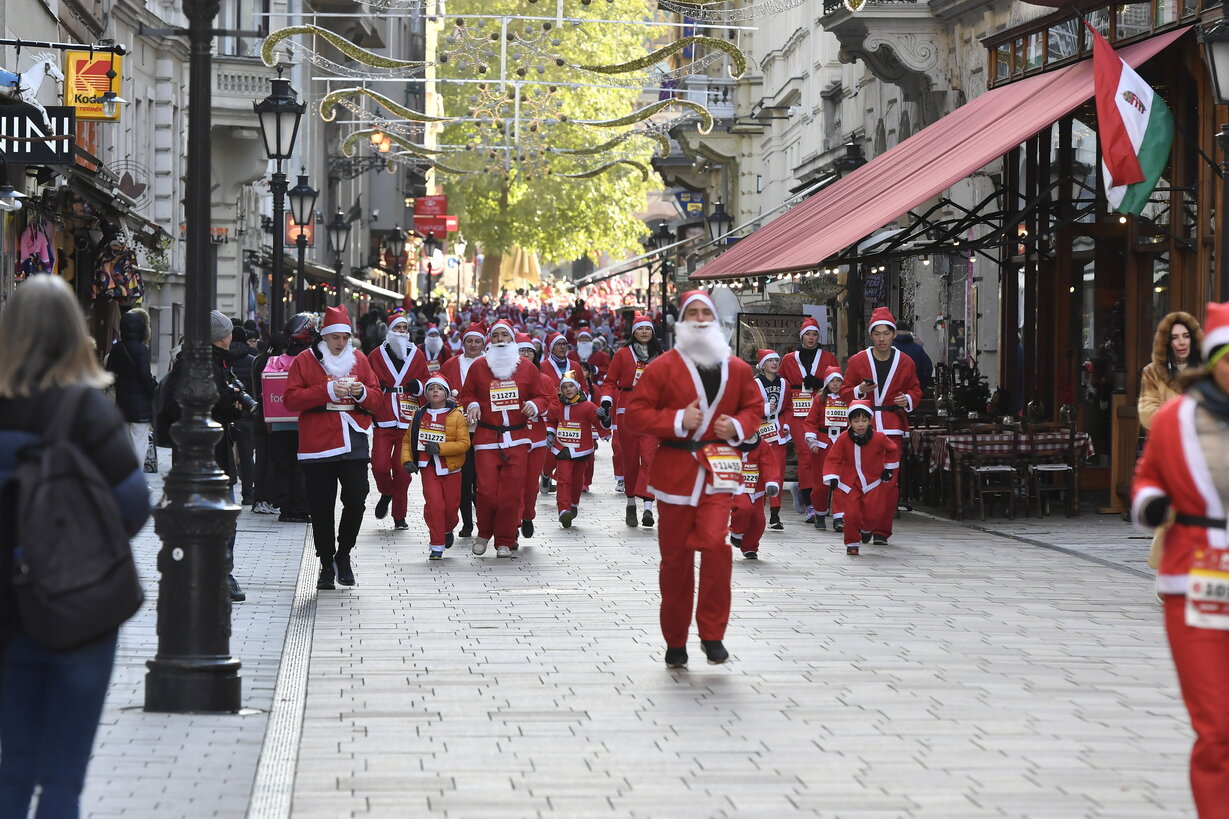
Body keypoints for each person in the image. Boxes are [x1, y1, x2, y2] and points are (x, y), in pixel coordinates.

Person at [0, 275, 151, 819]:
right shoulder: (87, 411)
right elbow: (134, 505)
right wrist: (79, 547)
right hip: (83, 608)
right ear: (73, 333)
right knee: (63, 777)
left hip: (8, 613)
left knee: (14, 763)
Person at [622, 291, 762, 668]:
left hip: (720, 470)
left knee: (716, 545)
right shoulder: (662, 367)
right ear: (681, 322)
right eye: (693, 313)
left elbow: (754, 407)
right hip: (676, 474)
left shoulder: (737, 368)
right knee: (675, 562)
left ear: (715, 321)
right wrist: (675, 420)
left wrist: (737, 426)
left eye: (706, 313)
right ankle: (676, 641)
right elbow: (634, 415)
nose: (700, 319)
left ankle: (712, 633)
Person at [1132, 301, 1229, 817]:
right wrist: (1152, 503)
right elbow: (1148, 476)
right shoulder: (1175, 419)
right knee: (1217, 723)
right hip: (1198, 576)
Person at [283, 305, 382, 590]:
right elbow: (290, 400)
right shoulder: (305, 360)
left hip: (354, 439)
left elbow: (376, 398)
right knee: (321, 506)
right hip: (318, 443)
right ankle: (326, 563)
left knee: (357, 497)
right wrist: (325, 391)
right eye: (335, 337)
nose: (340, 343)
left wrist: (362, 393)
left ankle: (344, 553)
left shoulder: (359, 359)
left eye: (345, 338)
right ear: (324, 336)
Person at [163, 310, 248, 601]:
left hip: (212, 452)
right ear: (222, 337)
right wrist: (224, 403)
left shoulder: (216, 361)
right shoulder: (193, 364)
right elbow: (175, 406)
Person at [458, 319, 551, 557]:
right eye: (496, 336)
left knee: (511, 493)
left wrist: (533, 405)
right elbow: (467, 394)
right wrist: (473, 405)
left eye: (504, 336)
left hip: (518, 438)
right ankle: (483, 533)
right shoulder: (479, 366)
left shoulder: (526, 368)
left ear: (512, 340)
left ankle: (505, 540)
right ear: (491, 339)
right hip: (487, 437)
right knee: (486, 491)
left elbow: (542, 397)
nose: (500, 340)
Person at [840, 308, 920, 544]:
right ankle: (865, 523)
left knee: (889, 482)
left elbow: (915, 388)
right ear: (871, 335)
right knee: (862, 478)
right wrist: (860, 390)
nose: (882, 338)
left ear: (894, 334)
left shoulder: (905, 361)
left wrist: (908, 399)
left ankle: (882, 531)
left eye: (886, 333)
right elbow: (844, 392)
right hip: (864, 428)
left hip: (893, 427)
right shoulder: (857, 361)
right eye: (877, 334)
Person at [599, 314, 662, 526]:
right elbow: (610, 381)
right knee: (631, 459)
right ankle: (631, 503)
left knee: (650, 458)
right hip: (627, 410)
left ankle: (648, 507)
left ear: (652, 332)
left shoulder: (660, 355)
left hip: (651, 411)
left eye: (648, 329)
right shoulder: (623, 354)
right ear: (634, 332)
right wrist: (606, 402)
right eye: (640, 329)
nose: (644, 332)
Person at [367, 314, 428, 531]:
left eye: (404, 328)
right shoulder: (376, 354)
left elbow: (427, 380)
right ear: (389, 330)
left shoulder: (417, 355)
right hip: (383, 417)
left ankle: (399, 516)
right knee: (379, 466)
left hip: (408, 420)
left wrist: (418, 386)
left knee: (402, 472)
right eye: (397, 328)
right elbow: (367, 379)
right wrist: (376, 388)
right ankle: (386, 492)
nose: (401, 331)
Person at [403, 376, 471, 560]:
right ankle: (436, 546)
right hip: (428, 467)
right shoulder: (418, 415)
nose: (435, 391)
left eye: (439, 389)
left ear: (446, 394)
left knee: (451, 509)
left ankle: (448, 529)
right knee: (434, 506)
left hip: (451, 468)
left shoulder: (457, 416)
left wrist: (440, 449)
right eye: (431, 388)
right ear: (426, 394)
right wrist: (407, 461)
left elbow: (464, 443)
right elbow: (408, 440)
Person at [779, 317, 838, 520]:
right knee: (805, 453)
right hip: (797, 412)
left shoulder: (829, 358)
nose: (811, 338)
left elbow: (837, 383)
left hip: (822, 410)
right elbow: (782, 386)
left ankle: (814, 495)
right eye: (808, 334)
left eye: (814, 334)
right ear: (801, 336)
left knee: (821, 455)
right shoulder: (789, 359)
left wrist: (820, 382)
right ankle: (810, 503)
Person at [822, 400, 900, 556]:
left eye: (864, 420)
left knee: (874, 514)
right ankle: (852, 543)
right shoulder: (843, 438)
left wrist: (888, 468)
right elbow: (834, 458)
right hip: (850, 483)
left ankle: (866, 529)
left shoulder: (879, 437)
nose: (860, 424)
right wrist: (832, 476)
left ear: (870, 421)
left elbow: (893, 449)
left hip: (873, 482)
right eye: (856, 421)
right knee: (851, 514)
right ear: (849, 422)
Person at [262, 315, 315, 522]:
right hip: (306, 424)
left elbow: (267, 390)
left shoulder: (275, 362)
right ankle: (301, 509)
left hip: (280, 425)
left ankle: (285, 509)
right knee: (304, 468)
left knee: (282, 467)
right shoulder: (313, 362)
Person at [440, 323, 487, 537]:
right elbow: (436, 388)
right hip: (458, 431)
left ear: (484, 343)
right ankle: (467, 523)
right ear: (463, 342)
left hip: (485, 431)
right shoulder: (451, 364)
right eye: (470, 341)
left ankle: (484, 522)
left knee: (482, 480)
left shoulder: (491, 364)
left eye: (477, 341)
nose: (473, 345)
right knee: (463, 478)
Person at [546, 371, 606, 528]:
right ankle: (563, 510)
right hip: (562, 448)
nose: (568, 389)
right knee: (563, 479)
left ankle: (573, 504)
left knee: (578, 481)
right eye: (564, 387)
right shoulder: (556, 406)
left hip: (581, 450)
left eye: (571, 386)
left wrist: (604, 417)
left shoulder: (588, 406)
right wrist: (550, 434)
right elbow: (551, 421)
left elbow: (599, 424)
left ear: (577, 387)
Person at [538, 332, 589, 494]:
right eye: (558, 344)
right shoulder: (543, 366)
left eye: (564, 344)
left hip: (573, 414)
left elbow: (584, 387)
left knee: (567, 450)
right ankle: (546, 474)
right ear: (551, 347)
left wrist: (582, 398)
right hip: (552, 414)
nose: (562, 347)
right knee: (550, 452)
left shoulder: (575, 366)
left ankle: (565, 487)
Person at [105, 308, 157, 461]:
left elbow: (109, 374)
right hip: (140, 405)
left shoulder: (116, 349)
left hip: (122, 402)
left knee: (126, 444)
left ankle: (127, 472)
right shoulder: (142, 349)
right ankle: (137, 473)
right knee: (139, 443)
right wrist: (153, 391)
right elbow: (145, 375)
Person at [517, 333, 555, 541]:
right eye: (521, 350)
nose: (525, 354)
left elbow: (554, 405)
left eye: (529, 351)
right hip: (514, 436)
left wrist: (538, 408)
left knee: (531, 484)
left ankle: (528, 515)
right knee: (515, 482)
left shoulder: (545, 379)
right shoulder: (506, 378)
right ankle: (513, 522)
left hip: (537, 439)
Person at [1139, 311, 1204, 431]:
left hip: (1203, 440)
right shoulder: (1152, 372)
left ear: (1193, 339)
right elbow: (1147, 415)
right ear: (1166, 342)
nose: (1182, 342)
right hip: (1168, 438)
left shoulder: (1208, 370)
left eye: (1186, 336)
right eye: (1175, 338)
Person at [803, 367, 849, 531]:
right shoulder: (819, 399)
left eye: (838, 381)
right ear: (827, 383)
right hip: (823, 444)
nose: (835, 384)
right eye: (832, 381)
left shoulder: (847, 398)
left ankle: (839, 517)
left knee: (840, 482)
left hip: (842, 443)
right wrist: (812, 441)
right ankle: (820, 514)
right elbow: (810, 421)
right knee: (821, 484)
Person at [729, 435, 782, 560]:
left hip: (756, 489)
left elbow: (769, 464)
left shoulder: (762, 445)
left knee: (759, 521)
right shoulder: (728, 443)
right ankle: (736, 531)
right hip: (737, 486)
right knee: (744, 508)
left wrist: (771, 481)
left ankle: (750, 547)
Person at [753, 349, 789, 531]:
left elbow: (788, 408)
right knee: (758, 474)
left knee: (777, 474)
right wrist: (763, 409)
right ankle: (758, 511)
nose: (775, 363)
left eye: (777, 360)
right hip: (759, 434)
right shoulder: (754, 384)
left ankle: (775, 513)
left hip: (778, 434)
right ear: (762, 364)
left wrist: (787, 424)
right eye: (770, 360)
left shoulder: (784, 383)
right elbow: (747, 407)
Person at [893, 321, 934, 398]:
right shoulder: (918, 349)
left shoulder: (889, 348)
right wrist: (921, 386)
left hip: (893, 393)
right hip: (914, 393)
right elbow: (927, 369)